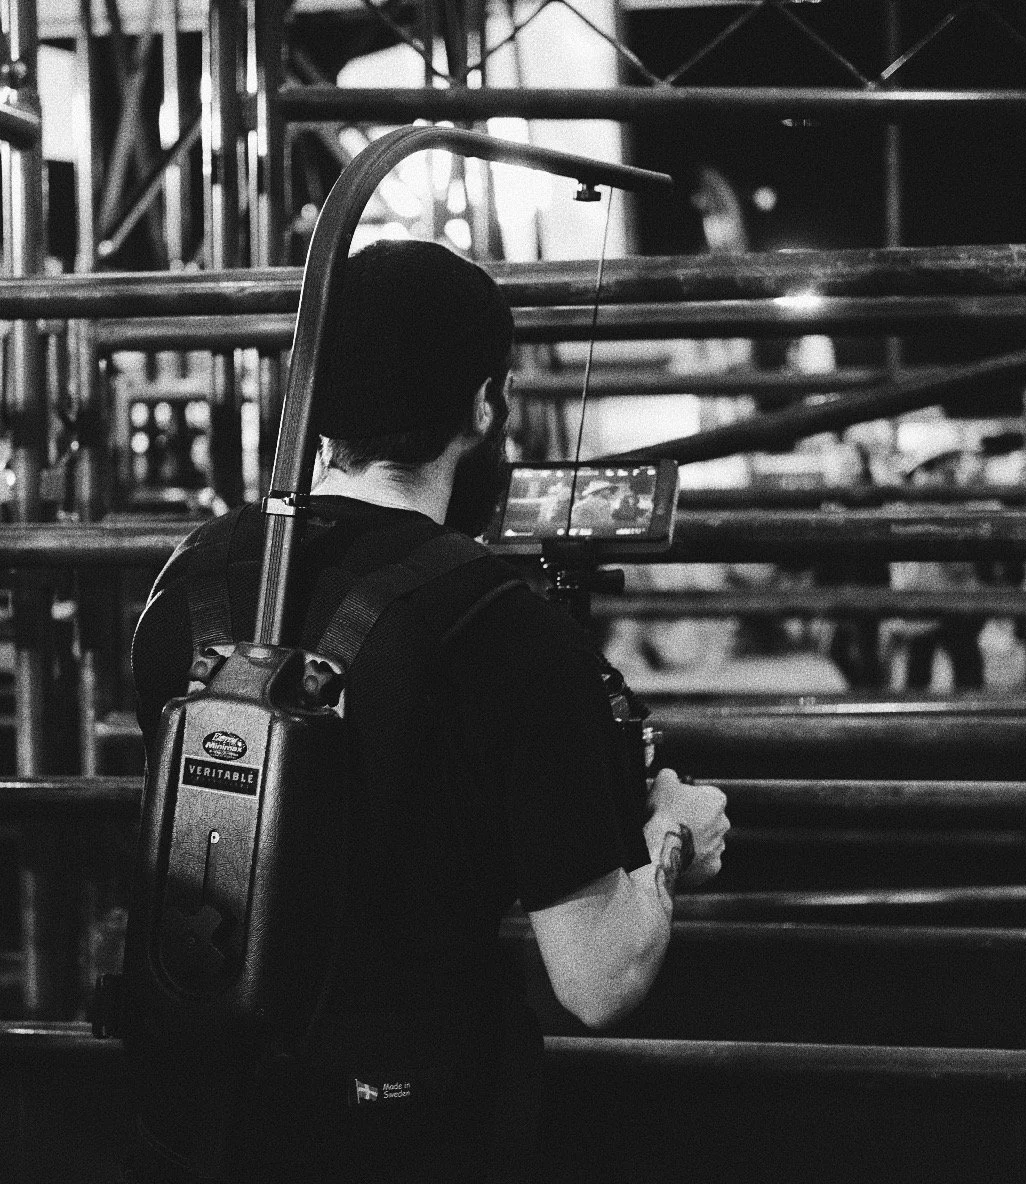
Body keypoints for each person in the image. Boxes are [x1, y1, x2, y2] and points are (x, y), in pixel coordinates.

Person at [129, 239, 728, 1183]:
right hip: (410, 1128)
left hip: (200, 1115)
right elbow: (599, 980)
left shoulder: (179, 589)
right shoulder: (507, 629)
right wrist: (672, 838)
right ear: (484, 404)